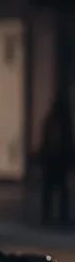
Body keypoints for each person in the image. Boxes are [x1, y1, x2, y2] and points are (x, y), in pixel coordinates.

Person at [39, 95, 74, 225]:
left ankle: (48, 216)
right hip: (57, 161)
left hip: (53, 161)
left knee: (52, 190)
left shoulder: (54, 120)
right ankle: (55, 216)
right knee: (58, 190)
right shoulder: (62, 121)